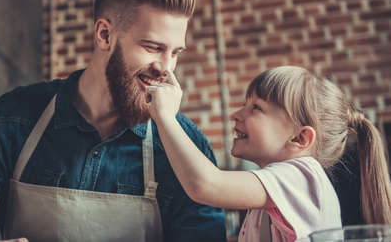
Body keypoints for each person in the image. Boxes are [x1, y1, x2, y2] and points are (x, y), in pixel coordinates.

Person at [0, 0, 226, 242]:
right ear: (104, 35)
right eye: (153, 47)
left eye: (175, 52)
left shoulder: (187, 147)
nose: (166, 69)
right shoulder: (13, 119)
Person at [147, 66, 391, 241]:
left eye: (256, 107)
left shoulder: (301, 175)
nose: (236, 114)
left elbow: (205, 185)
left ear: (300, 138)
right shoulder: (273, 189)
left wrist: (165, 117)